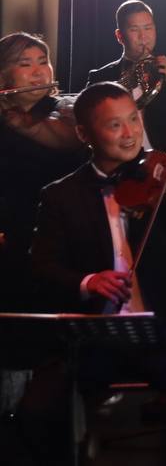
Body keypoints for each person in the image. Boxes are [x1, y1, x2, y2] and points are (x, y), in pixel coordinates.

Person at [20, 82, 166, 466]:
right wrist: (88, 282)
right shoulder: (60, 196)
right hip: (93, 338)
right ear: (84, 134)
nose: (130, 134)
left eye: (134, 120)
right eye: (115, 125)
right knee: (38, 410)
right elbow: (40, 270)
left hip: (163, 335)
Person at [0, 32, 85, 311]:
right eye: (25, 64)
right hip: (16, 235)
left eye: (43, 61)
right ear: (3, 75)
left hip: (68, 236)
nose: (39, 71)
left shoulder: (67, 110)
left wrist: (21, 123)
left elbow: (69, 139)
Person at [84, 0, 166, 150]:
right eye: (134, 30)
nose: (143, 37)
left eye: (148, 28)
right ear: (119, 36)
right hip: (118, 158)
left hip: (164, 158)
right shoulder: (100, 77)